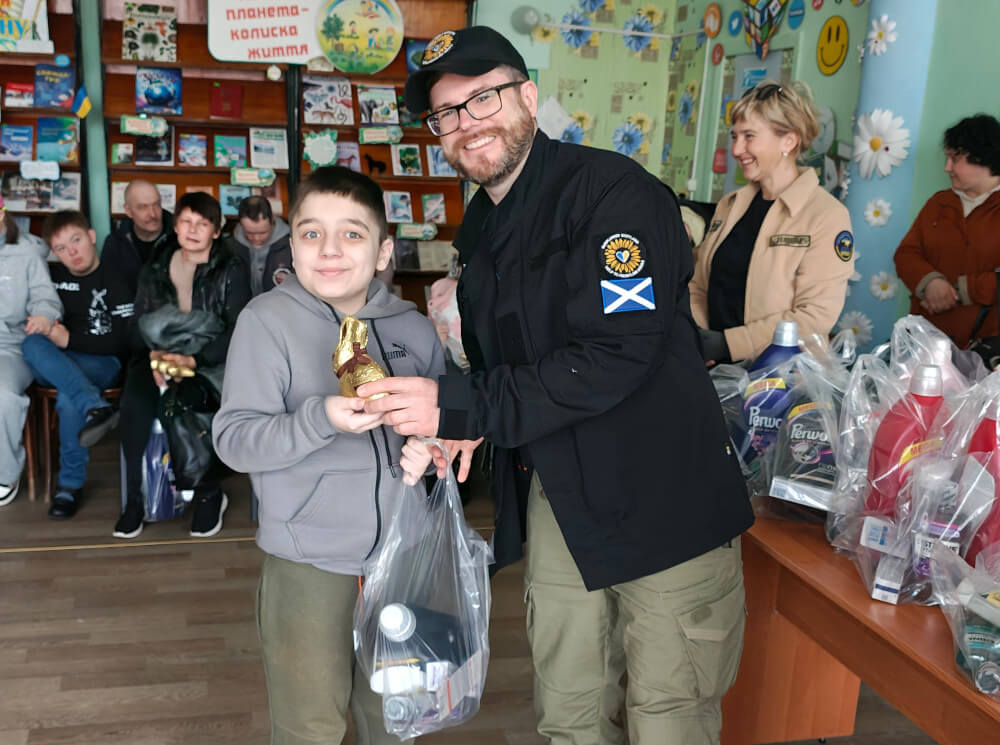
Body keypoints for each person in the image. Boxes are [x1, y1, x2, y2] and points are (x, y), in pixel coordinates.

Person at [359, 26, 754, 745]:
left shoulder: (614, 195)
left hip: (666, 499)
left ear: (529, 98)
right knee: (569, 714)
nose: (464, 124)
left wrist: (460, 402)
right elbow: (513, 357)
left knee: (670, 718)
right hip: (562, 500)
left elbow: (618, 353)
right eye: (446, 113)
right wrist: (467, 422)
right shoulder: (481, 226)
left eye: (482, 99)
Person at [213, 166, 445, 744]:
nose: (331, 250)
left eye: (353, 234)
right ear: (292, 245)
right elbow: (235, 439)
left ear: (384, 249)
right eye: (312, 234)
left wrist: (431, 450)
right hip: (308, 562)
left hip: (401, 560)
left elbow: (443, 423)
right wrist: (320, 417)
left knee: (393, 722)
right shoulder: (266, 322)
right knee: (308, 726)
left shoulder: (414, 329)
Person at [110, 192, 250, 539]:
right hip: (158, 355)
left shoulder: (231, 269)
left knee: (183, 403)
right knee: (136, 408)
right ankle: (135, 501)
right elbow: (141, 320)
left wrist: (192, 360)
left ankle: (207, 492)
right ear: (176, 225)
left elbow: (239, 330)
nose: (193, 230)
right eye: (186, 221)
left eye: (203, 224)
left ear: (216, 232)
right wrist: (157, 357)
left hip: (211, 361)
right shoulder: (157, 264)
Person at [689, 81, 854, 364]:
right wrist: (697, 337)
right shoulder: (729, 207)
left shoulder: (826, 216)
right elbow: (697, 285)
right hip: (713, 368)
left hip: (782, 380)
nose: (737, 149)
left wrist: (728, 345)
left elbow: (813, 318)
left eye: (749, 136)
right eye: (734, 136)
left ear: (788, 141)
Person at [21, 211, 133, 519]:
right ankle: (94, 406)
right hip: (60, 363)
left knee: (70, 399)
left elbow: (123, 341)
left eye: (77, 240)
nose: (72, 252)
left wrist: (69, 340)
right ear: (54, 253)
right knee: (31, 343)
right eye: (61, 248)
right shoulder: (52, 280)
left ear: (92, 237)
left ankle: (69, 486)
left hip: (103, 364)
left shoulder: (118, 277)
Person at [894, 114, 1000, 346]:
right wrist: (930, 283)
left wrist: (961, 290)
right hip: (925, 340)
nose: (946, 168)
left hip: (987, 347)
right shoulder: (938, 203)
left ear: (982, 156)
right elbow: (906, 254)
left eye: (955, 158)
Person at [0, 204, 63, 505]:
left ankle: (4, 473)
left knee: (2, 394)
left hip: (10, 345)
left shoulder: (26, 252)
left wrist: (43, 316)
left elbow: (46, 298)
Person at [101, 179, 174, 294]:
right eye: (143, 207)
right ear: (128, 211)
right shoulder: (115, 243)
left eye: (156, 205)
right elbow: (108, 288)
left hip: (172, 311)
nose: (153, 214)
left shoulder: (179, 238)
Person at [225, 195, 293, 295]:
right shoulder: (230, 247)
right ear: (240, 225)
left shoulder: (291, 245)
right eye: (249, 233)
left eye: (263, 233)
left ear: (272, 221)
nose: (256, 238)